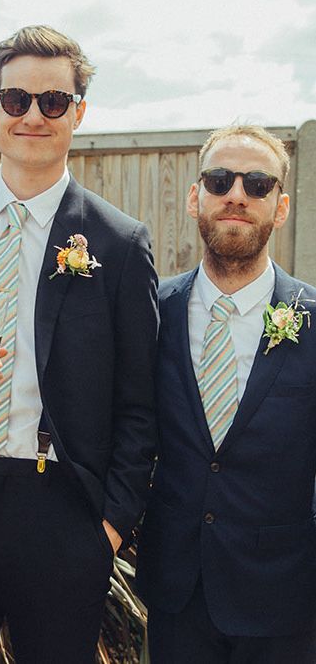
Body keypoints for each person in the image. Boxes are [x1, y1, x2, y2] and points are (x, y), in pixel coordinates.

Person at [0, 25, 158, 664]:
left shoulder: (120, 244)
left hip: (63, 513)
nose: (33, 116)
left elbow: (140, 403)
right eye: (17, 100)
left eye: (52, 101)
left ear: (78, 113)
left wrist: (110, 527)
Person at [136, 125, 316, 663]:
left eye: (257, 184)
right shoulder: (152, 313)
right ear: (196, 197)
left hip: (286, 600)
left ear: (280, 208)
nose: (236, 194)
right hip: (177, 593)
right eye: (219, 180)